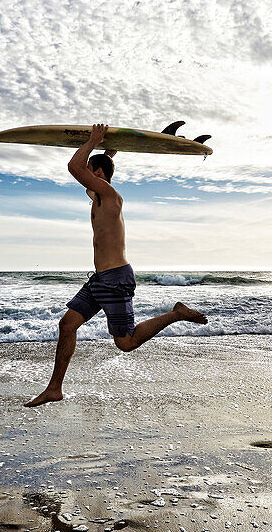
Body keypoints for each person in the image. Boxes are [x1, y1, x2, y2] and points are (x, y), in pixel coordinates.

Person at [24, 123, 207, 407]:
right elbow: (88, 171)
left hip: (117, 279)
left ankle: (176, 313)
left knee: (126, 343)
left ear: (97, 175)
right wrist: (109, 150)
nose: (86, 180)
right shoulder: (97, 196)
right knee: (67, 324)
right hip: (99, 280)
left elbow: (74, 166)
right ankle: (54, 388)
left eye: (92, 173)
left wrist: (94, 141)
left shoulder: (111, 197)